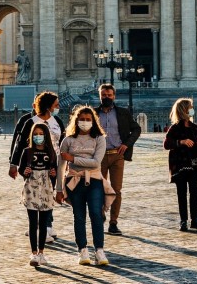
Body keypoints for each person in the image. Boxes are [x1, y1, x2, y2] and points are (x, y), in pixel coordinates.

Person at [55, 105, 111, 266]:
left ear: (93, 121)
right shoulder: (68, 140)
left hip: (94, 180)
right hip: (74, 181)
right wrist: (59, 189)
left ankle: (99, 250)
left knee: (96, 214)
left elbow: (95, 163)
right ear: (76, 121)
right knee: (78, 216)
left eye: (88, 120)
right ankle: (82, 250)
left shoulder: (100, 138)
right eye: (82, 120)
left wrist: (73, 159)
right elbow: (61, 166)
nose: (85, 122)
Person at [9, 91, 65, 242]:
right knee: (35, 195)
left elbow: (63, 143)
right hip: (33, 165)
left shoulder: (57, 121)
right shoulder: (30, 122)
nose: (58, 106)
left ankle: (46, 226)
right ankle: (39, 228)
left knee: (48, 193)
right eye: (55, 104)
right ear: (48, 106)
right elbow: (20, 144)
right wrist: (13, 164)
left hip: (53, 164)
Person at [95, 83, 141, 236]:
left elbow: (136, 129)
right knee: (98, 189)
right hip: (98, 157)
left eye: (109, 95)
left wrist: (126, 145)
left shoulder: (123, 113)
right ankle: (100, 215)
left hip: (117, 155)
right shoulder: (93, 114)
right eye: (104, 95)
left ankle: (113, 222)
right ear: (99, 96)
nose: (106, 97)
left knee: (116, 190)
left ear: (114, 96)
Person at [164, 98, 197, 231]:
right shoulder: (174, 128)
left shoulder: (196, 128)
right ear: (184, 111)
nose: (192, 110)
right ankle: (183, 220)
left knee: (195, 193)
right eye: (190, 107)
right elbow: (166, 144)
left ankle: (195, 219)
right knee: (181, 193)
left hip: (194, 164)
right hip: (180, 164)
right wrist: (181, 142)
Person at [20, 123, 58, 267]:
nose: (38, 137)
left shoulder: (51, 152)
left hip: (46, 188)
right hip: (31, 188)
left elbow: (54, 170)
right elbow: (21, 170)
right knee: (32, 222)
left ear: (46, 135)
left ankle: (42, 252)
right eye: (35, 134)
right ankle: (34, 253)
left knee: (43, 222)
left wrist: (53, 175)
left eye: (41, 134)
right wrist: (25, 172)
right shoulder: (28, 151)